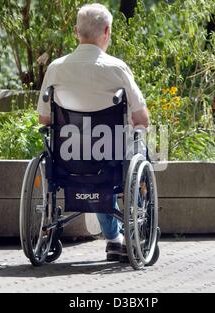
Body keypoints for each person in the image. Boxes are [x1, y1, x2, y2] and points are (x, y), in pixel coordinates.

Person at [37, 3, 149, 262]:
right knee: (134, 154)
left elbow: (44, 117)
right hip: (109, 158)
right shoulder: (116, 68)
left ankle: (114, 238)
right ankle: (133, 230)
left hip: (68, 159)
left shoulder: (56, 68)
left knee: (96, 164)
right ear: (107, 31)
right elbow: (141, 118)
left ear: (76, 31)